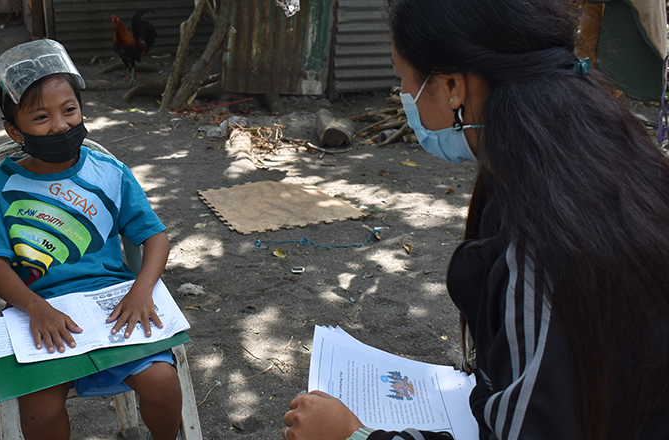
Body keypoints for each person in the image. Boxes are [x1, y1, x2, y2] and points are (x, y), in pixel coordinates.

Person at [283, 0, 669, 439]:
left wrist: (353, 436)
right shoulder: (596, 154)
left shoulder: (545, 240)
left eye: (402, 78)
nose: (404, 95)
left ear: (451, 86)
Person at [0, 39, 181, 440]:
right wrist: (34, 307)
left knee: (163, 383)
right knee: (39, 408)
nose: (61, 125)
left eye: (70, 110)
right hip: (39, 310)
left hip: (113, 305)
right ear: (14, 130)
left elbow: (154, 236)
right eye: (41, 117)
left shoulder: (110, 171)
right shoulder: (3, 185)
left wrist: (141, 290)